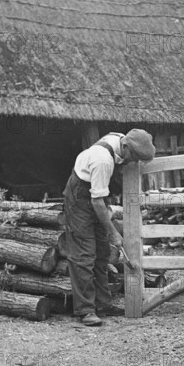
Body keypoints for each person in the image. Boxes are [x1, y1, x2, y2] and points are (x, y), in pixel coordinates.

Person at [63, 129, 156, 326]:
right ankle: (85, 310)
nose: (131, 163)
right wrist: (113, 232)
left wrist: (106, 210)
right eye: (133, 158)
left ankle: (103, 303)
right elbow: (96, 202)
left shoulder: (119, 139)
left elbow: (98, 198)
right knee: (84, 255)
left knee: (103, 253)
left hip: (94, 195)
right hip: (79, 200)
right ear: (126, 147)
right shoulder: (103, 160)